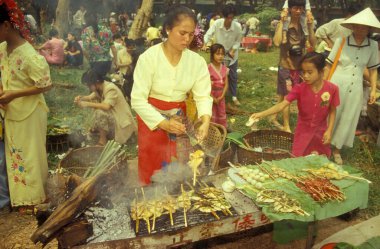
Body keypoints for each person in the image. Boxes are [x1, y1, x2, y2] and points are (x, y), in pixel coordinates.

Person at [131, 5, 213, 185]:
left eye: (191, 34)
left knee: (178, 161)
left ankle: (175, 198)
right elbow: (137, 100)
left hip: (178, 117)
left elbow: (203, 96)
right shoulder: (149, 58)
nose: (187, 39)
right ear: (168, 29)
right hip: (150, 116)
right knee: (151, 159)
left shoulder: (196, 62)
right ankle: (149, 198)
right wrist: (164, 123)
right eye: (182, 33)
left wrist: (205, 120)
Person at [0, 0, 52, 212]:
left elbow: (46, 84)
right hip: (12, 111)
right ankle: (22, 199)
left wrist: (15, 93)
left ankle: (36, 198)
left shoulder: (30, 55)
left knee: (31, 155)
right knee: (16, 154)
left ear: (5, 25)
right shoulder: (3, 48)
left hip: (30, 112)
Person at [250, 52, 340, 157]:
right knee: (298, 158)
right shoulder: (299, 88)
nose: (305, 76)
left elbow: (332, 111)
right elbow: (282, 105)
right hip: (303, 131)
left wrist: (329, 131)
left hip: (321, 133)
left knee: (319, 162)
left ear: (322, 71)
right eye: (303, 72)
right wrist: (261, 114)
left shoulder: (332, 89)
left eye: (310, 72)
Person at [325, 8, 380, 165]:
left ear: (369, 28)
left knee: (348, 116)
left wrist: (374, 90)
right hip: (336, 83)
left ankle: (337, 149)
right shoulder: (341, 42)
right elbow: (328, 66)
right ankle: (324, 145)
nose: (361, 29)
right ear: (353, 26)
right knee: (332, 114)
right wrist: (324, 86)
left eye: (365, 26)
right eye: (358, 26)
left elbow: (373, 70)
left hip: (356, 87)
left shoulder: (373, 46)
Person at [272, 0, 316, 132]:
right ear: (290, 9)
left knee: (283, 95)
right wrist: (281, 22)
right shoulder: (285, 23)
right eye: (295, 8)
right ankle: (286, 126)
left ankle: (273, 118)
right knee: (288, 97)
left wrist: (310, 26)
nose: (298, 11)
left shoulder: (304, 24)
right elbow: (276, 42)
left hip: (299, 68)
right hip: (286, 67)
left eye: (301, 8)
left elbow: (313, 44)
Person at [75, 70, 137, 146]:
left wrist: (87, 104)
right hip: (115, 120)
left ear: (96, 82)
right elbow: (89, 97)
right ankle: (102, 133)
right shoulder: (99, 88)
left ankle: (102, 141)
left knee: (100, 112)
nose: (88, 87)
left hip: (122, 124)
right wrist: (81, 98)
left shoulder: (110, 88)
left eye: (89, 85)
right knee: (97, 112)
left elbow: (106, 106)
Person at [203, 4, 242, 106]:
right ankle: (213, 94)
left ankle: (234, 96)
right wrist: (204, 43)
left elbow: (238, 41)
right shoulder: (217, 23)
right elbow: (208, 34)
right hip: (219, 53)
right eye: (228, 17)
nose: (229, 20)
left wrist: (233, 50)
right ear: (224, 16)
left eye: (232, 18)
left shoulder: (237, 27)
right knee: (216, 75)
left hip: (231, 55)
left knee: (233, 76)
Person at [82, 12, 116, 78]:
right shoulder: (107, 30)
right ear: (97, 19)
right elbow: (113, 47)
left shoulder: (86, 31)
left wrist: (89, 59)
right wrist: (115, 61)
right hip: (107, 62)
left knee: (96, 82)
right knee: (102, 81)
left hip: (95, 62)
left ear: (86, 20)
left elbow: (84, 50)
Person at [208, 43, 228, 128]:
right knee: (211, 112)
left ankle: (221, 130)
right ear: (212, 55)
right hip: (211, 95)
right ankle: (212, 129)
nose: (220, 56)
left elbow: (226, 84)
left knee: (221, 112)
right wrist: (212, 97)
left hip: (221, 96)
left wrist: (222, 96)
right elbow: (206, 85)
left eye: (222, 54)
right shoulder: (208, 68)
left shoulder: (225, 69)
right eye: (218, 54)